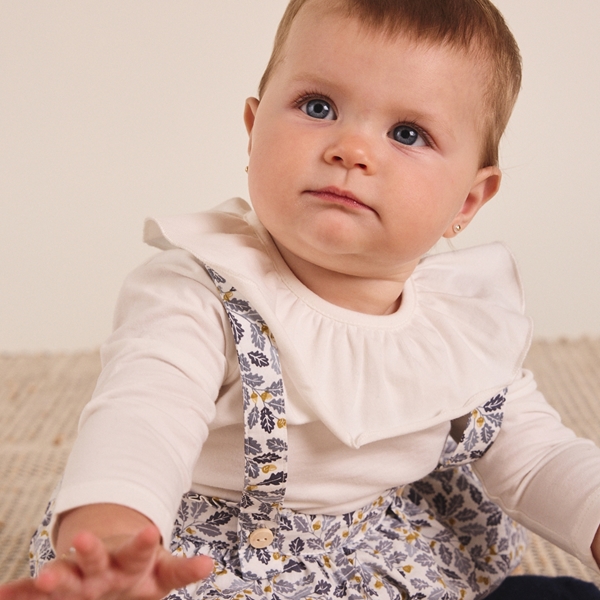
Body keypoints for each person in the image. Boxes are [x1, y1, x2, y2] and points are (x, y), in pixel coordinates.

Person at [2, 0, 600, 598]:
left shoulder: (457, 324)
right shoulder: (202, 291)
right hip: (216, 564)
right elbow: (141, 419)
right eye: (318, 107)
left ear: (468, 202)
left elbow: (538, 457)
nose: (351, 149)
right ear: (252, 129)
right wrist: (112, 544)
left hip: (384, 559)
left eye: (407, 134)